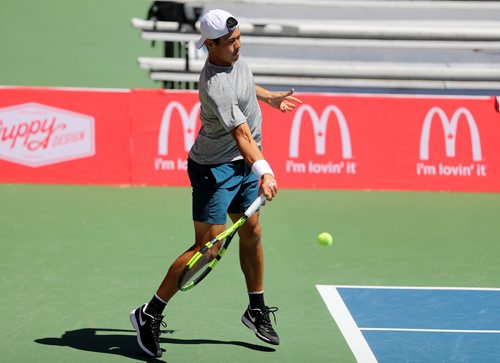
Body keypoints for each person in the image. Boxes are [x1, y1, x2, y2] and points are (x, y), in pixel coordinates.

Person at [130, 9, 302, 358]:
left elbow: (245, 84)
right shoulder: (215, 85)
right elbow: (241, 134)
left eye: (239, 39)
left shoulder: (232, 59)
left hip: (243, 165)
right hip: (215, 170)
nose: (238, 46)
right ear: (210, 44)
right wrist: (265, 171)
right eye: (230, 42)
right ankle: (149, 313)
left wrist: (269, 98)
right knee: (206, 250)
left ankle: (255, 309)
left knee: (251, 231)